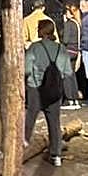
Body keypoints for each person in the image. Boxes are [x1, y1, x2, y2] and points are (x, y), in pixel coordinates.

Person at [25, 18, 72, 167]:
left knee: (30, 117)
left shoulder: (34, 48)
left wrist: (32, 77)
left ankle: (23, 143)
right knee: (54, 122)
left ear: (41, 31)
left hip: (35, 88)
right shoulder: (61, 49)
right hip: (54, 92)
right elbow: (67, 72)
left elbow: (25, 69)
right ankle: (56, 155)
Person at [61, 2, 84, 110]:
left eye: (66, 12)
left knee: (66, 76)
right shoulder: (77, 24)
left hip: (68, 51)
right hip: (75, 51)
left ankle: (69, 100)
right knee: (73, 76)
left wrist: (64, 24)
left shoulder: (69, 24)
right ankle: (75, 100)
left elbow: (65, 40)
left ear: (70, 13)